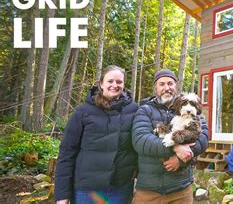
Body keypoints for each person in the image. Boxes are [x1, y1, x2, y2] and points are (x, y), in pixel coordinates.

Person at [54, 65, 139, 204]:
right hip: (87, 190)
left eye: (119, 82)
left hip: (120, 189)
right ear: (101, 83)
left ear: (124, 84)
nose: (114, 85)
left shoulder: (134, 110)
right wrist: (62, 195)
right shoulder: (83, 112)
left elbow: (140, 145)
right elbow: (66, 153)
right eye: (110, 81)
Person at [132, 69, 209, 203]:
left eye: (170, 83)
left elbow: (203, 138)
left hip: (181, 188)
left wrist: (181, 158)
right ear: (155, 87)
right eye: (161, 84)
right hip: (149, 189)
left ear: (176, 86)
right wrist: (175, 148)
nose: (166, 88)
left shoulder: (190, 107)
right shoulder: (145, 110)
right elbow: (140, 140)